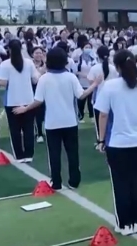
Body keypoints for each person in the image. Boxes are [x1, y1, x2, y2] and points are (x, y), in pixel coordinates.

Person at [14, 47, 96, 190]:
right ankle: (74, 181)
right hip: (70, 122)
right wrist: (94, 84)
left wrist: (25, 108)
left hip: (52, 123)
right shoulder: (70, 77)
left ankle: (56, 182)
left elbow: (38, 100)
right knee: (72, 153)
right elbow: (81, 95)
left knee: (54, 154)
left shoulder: (44, 78)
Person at [94, 49, 137, 236]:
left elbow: (103, 114)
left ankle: (125, 224)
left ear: (117, 66)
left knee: (121, 184)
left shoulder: (109, 86)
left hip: (117, 143)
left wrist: (100, 139)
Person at [0, 39, 41, 162]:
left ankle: (19, 156)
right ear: (21, 48)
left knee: (15, 130)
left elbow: (3, 83)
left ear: (9, 49)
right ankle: (29, 155)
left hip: (12, 101)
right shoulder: (29, 63)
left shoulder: (5, 64)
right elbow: (35, 80)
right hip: (28, 100)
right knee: (29, 129)